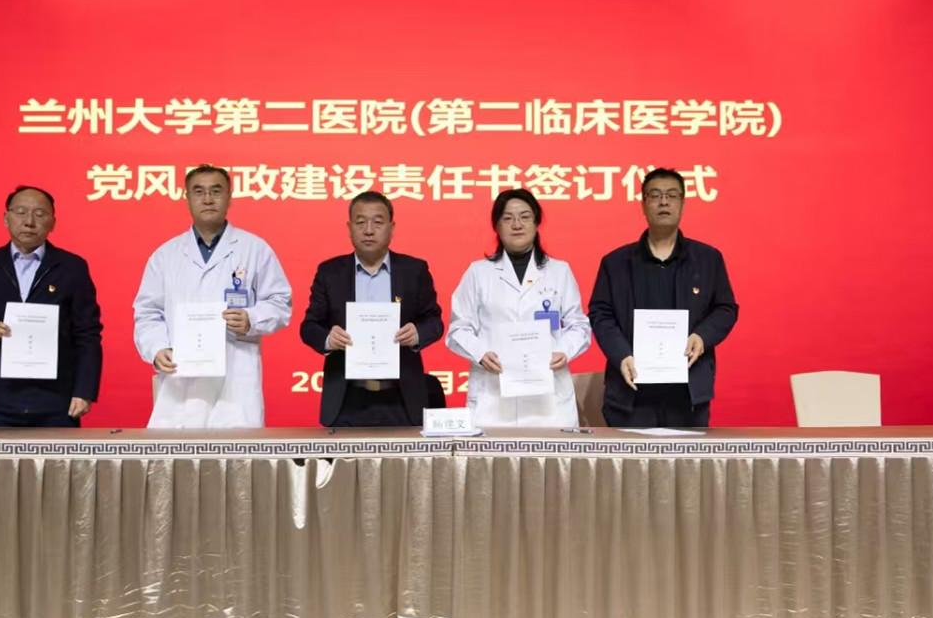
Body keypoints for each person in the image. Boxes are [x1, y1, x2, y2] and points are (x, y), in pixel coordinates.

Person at [133, 164, 292, 428]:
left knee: (236, 451)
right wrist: (157, 348)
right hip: (181, 376)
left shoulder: (254, 248)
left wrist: (251, 319)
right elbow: (148, 311)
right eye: (199, 192)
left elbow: (279, 302)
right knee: (179, 452)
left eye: (216, 191)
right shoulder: (165, 255)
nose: (207, 199)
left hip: (236, 378)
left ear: (229, 197)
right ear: (187, 199)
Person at [588, 167, 739, 427]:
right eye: (655, 195)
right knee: (630, 455)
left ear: (682, 203)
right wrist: (621, 354)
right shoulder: (615, 263)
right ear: (643, 203)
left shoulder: (708, 259)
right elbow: (601, 314)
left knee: (687, 456)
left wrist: (702, 336)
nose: (664, 202)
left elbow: (725, 308)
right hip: (630, 391)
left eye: (672, 195)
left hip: (688, 392)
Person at [0, 185, 103, 427]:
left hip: (58, 401)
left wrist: (84, 391)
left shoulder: (72, 267)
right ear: (6, 218)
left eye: (39, 214)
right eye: (20, 212)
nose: (29, 221)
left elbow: (88, 334)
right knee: (1, 454)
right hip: (2, 400)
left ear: (53, 223)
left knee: (59, 455)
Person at [446, 188, 591, 427]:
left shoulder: (559, 271)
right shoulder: (478, 272)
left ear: (536, 223)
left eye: (525, 217)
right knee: (492, 452)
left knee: (551, 452)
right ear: (496, 226)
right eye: (508, 218)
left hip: (548, 398)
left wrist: (563, 351)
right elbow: (458, 329)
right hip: (493, 396)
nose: (517, 224)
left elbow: (579, 326)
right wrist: (481, 353)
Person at [300, 191, 443, 427]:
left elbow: (434, 321)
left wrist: (418, 334)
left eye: (377, 222)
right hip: (347, 398)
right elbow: (309, 327)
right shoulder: (330, 272)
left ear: (391, 228)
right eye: (360, 222)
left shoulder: (414, 270)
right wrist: (328, 339)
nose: (369, 230)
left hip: (402, 397)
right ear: (349, 228)